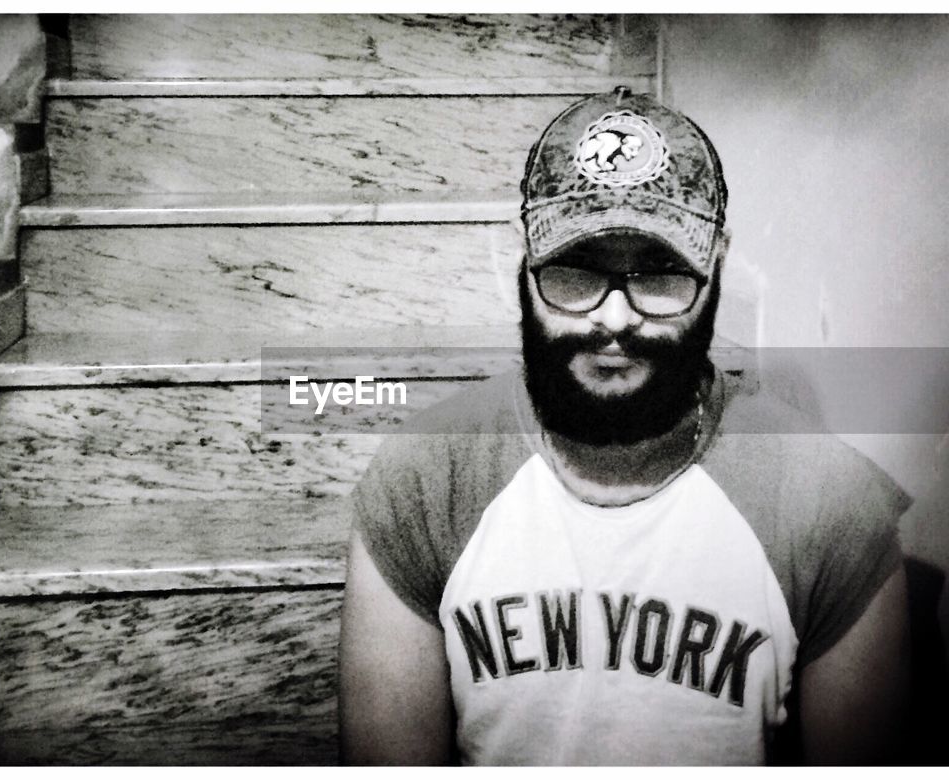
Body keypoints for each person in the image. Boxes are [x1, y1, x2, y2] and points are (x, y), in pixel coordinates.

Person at [338, 86, 911, 766]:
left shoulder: (832, 502)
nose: (614, 317)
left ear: (716, 264)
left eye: (661, 272)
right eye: (578, 271)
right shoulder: (426, 477)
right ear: (522, 260)